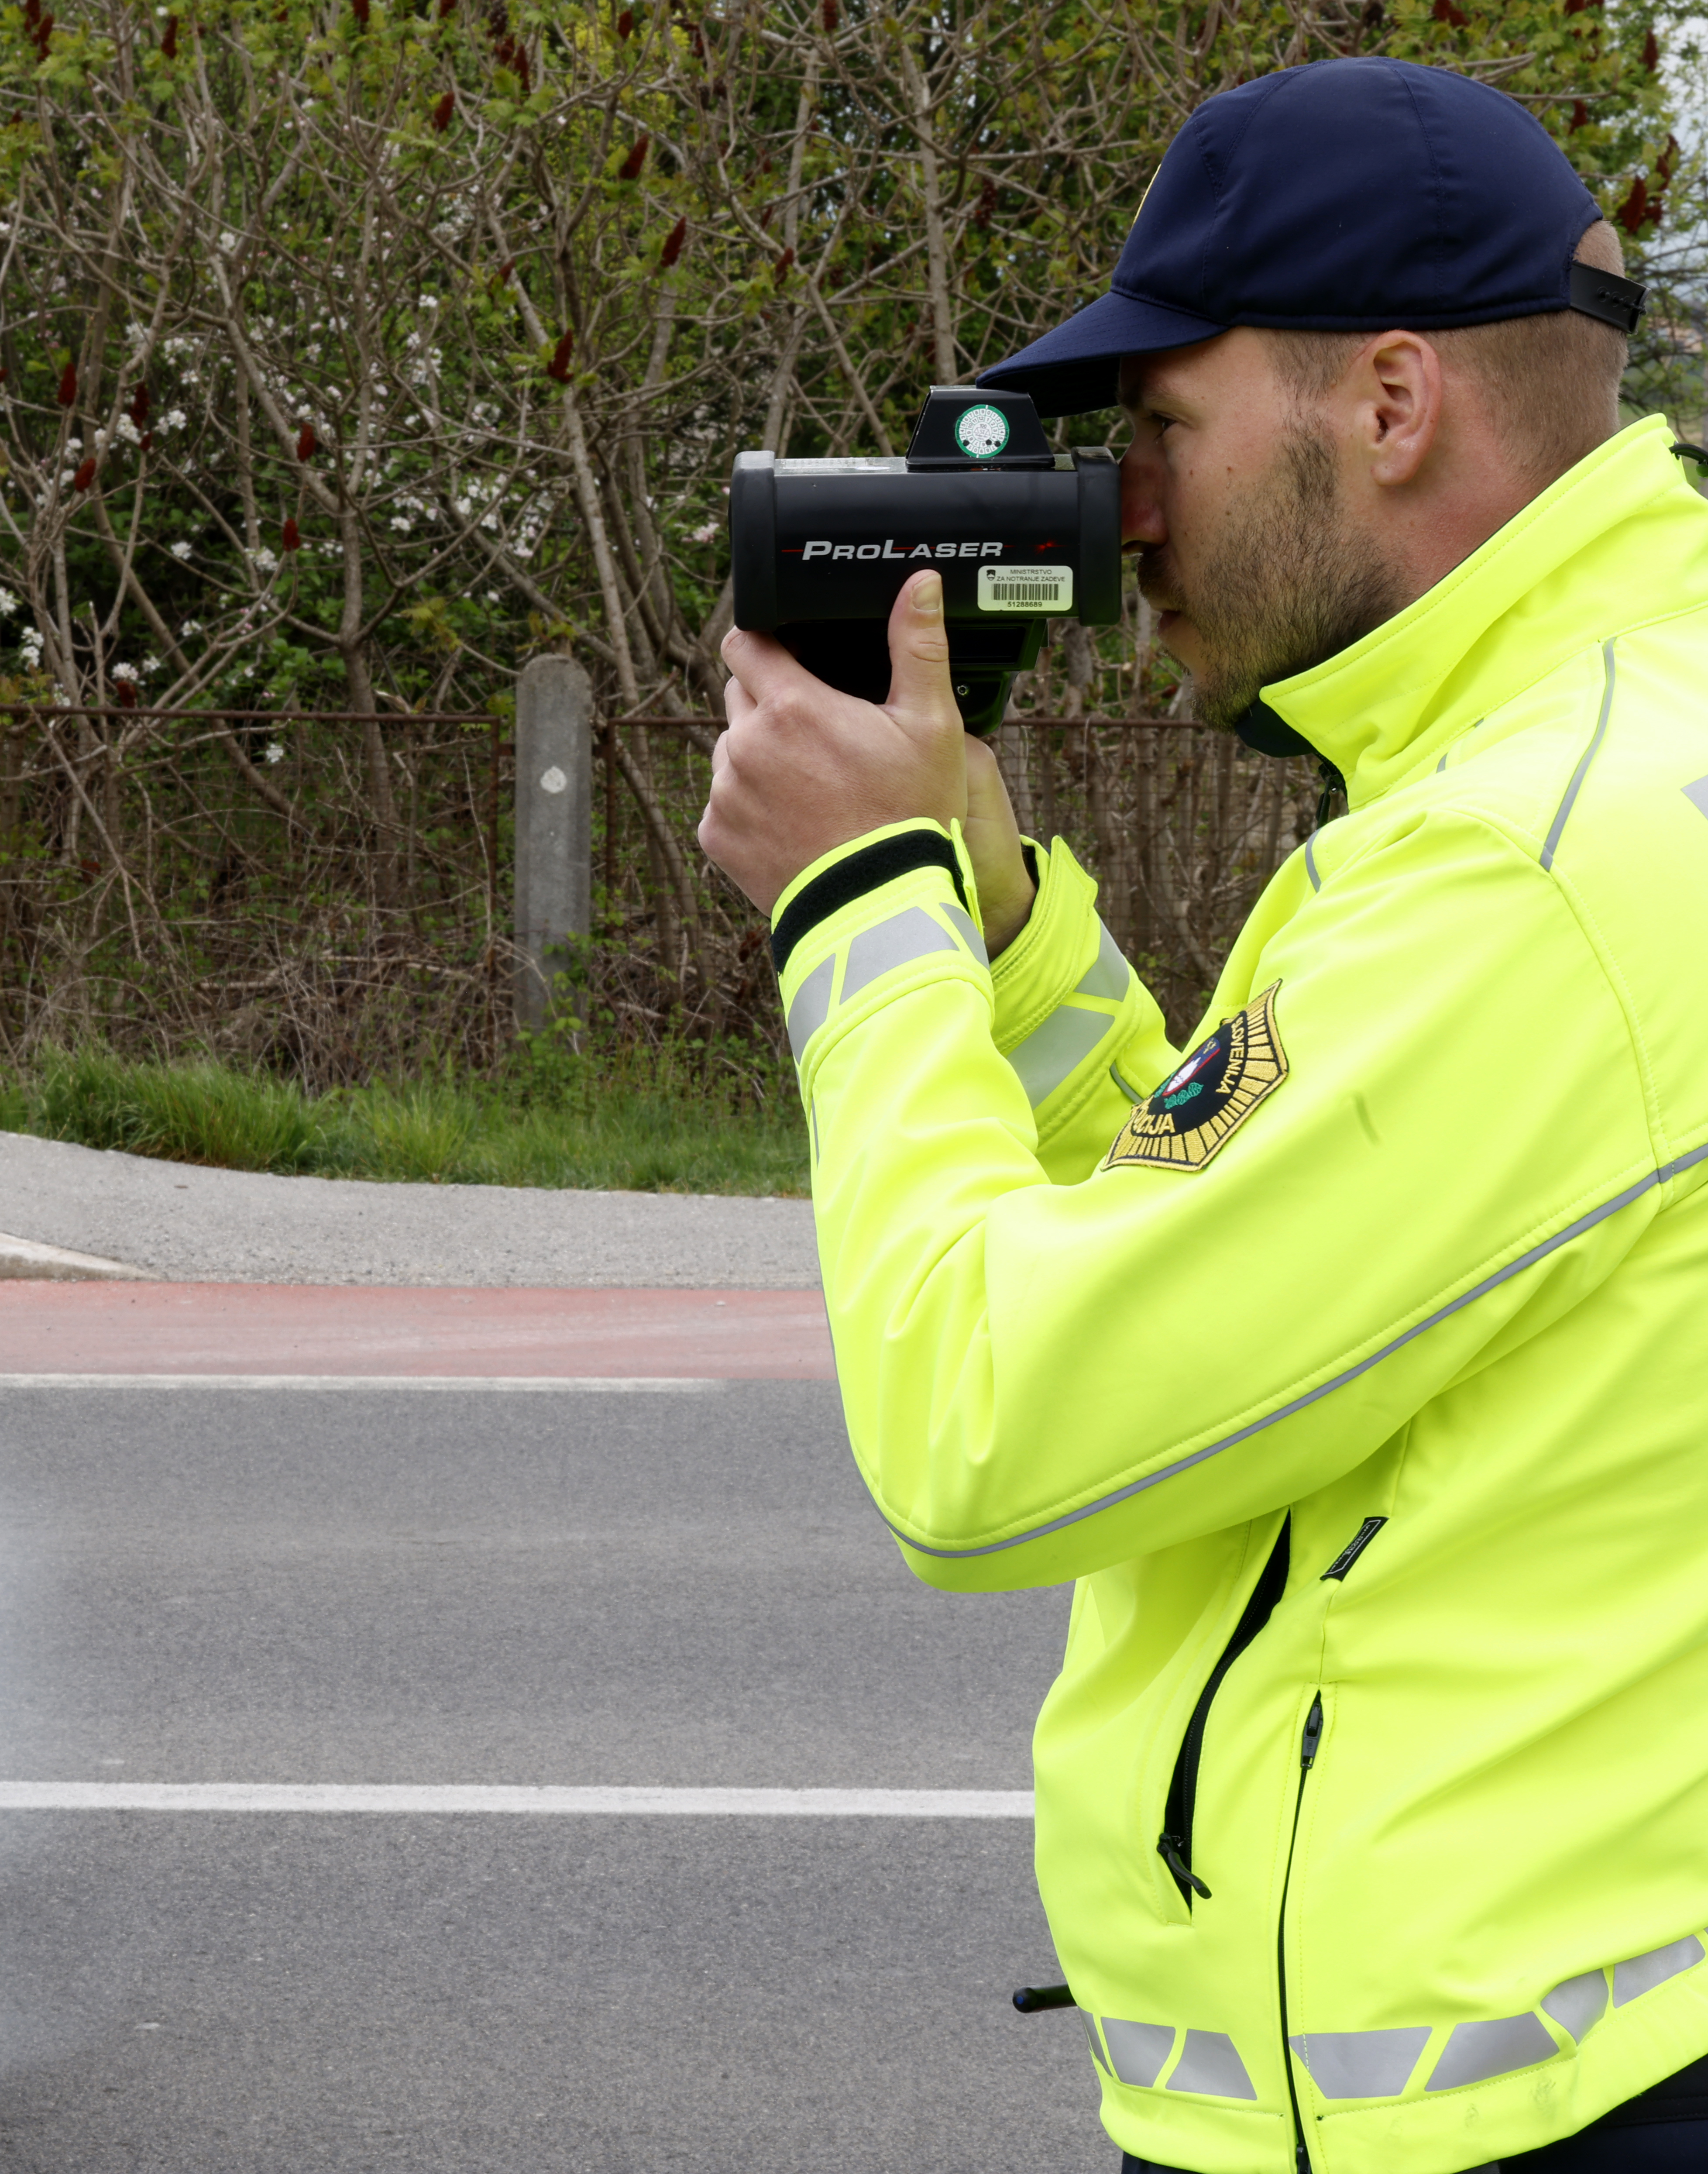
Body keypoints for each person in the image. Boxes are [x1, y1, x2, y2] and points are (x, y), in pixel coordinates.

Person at [696, 56, 1708, 2174]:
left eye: (1160, 426)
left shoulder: (1530, 861)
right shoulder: (1576, 744)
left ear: (1394, 402)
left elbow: (994, 1435)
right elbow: (1229, 1224)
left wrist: (856, 915)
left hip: (1501, 2121)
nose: (1121, 506)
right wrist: (1001, 929)